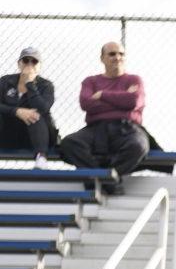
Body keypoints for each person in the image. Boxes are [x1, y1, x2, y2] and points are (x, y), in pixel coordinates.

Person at [60, 41, 149, 194]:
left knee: (138, 146)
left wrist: (102, 95)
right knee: (69, 144)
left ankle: (107, 175)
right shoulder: (91, 81)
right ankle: (103, 178)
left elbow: (133, 101)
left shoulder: (134, 80)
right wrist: (121, 100)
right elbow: (86, 104)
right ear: (102, 58)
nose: (117, 57)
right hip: (96, 129)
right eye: (112, 54)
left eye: (121, 54)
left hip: (126, 128)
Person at [0, 47, 57, 169]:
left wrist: (30, 84)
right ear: (19, 64)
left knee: (35, 115)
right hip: (8, 133)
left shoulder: (46, 85)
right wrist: (16, 111)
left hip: (36, 136)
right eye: (26, 60)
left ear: (39, 66)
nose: (29, 64)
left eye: (34, 61)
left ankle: (41, 158)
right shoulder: (5, 81)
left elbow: (43, 108)